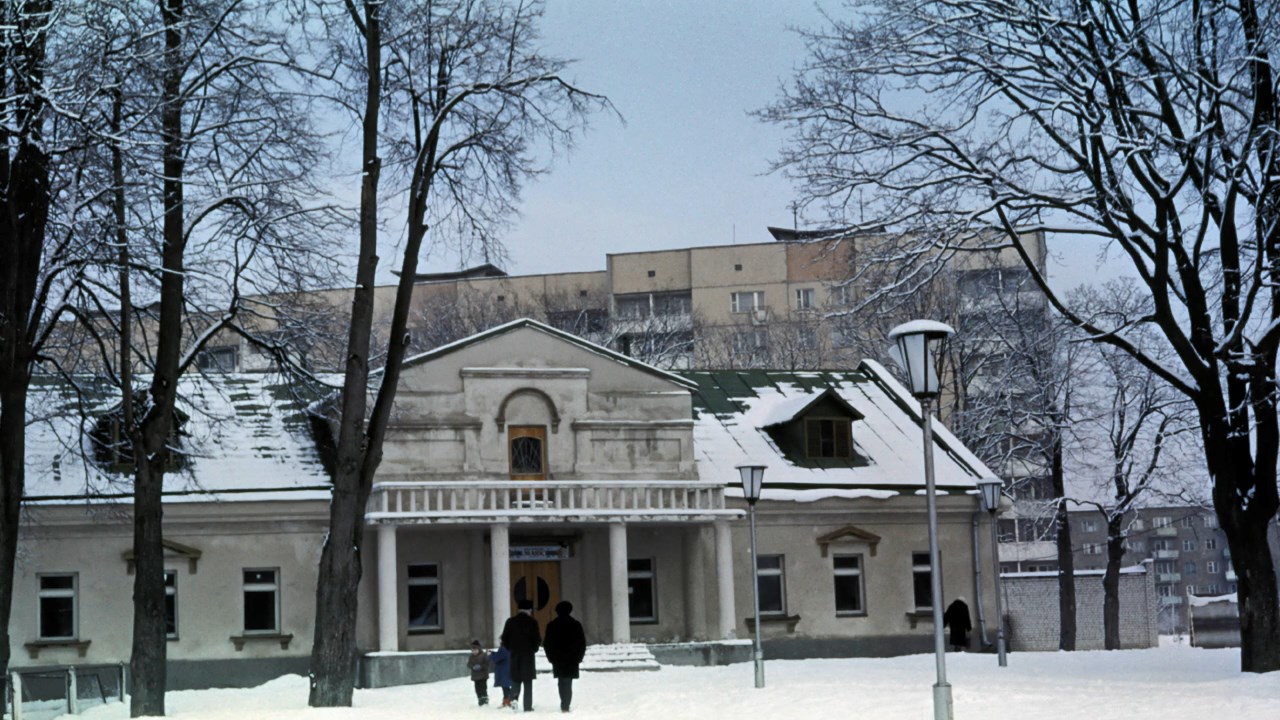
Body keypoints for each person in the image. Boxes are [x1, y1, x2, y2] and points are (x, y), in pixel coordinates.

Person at [543, 601, 587, 713]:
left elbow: (547, 643)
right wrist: (579, 657)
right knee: (568, 681)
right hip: (572, 658)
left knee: (561, 681)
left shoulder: (552, 625)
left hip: (558, 658)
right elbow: (581, 643)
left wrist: (550, 657)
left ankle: (564, 702)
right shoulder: (576, 624)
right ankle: (565, 704)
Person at [501, 598, 542, 711]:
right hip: (528, 656)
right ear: (529, 609)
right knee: (527, 682)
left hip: (515, 655)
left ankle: (514, 700)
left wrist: (511, 648)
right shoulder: (533, 622)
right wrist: (533, 649)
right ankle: (527, 706)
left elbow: (504, 638)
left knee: (515, 680)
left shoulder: (510, 621)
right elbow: (537, 639)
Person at [489, 642, 515, 708]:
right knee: (506, 687)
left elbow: (497, 658)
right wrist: (493, 653)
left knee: (505, 687)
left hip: (503, 670)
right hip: (508, 669)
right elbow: (500, 655)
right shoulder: (510, 647)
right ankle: (508, 700)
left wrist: (490, 655)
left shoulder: (504, 648)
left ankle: (507, 701)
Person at [465, 639, 490, 706]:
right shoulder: (471, 657)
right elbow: (468, 664)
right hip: (475, 676)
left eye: (475, 650)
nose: (474, 652)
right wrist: (472, 667)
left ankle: (485, 699)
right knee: (477, 689)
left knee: (483, 688)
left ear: (479, 649)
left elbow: (487, 664)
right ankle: (480, 699)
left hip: (483, 675)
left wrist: (481, 667)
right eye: (473, 650)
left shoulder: (483, 655)